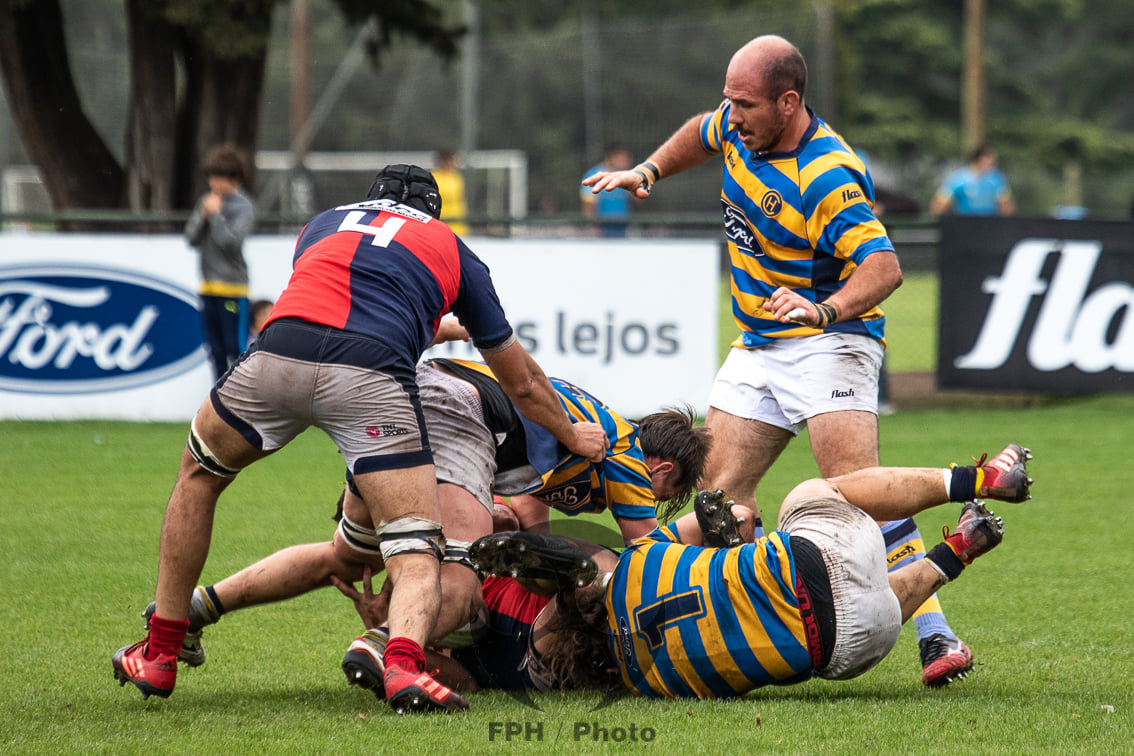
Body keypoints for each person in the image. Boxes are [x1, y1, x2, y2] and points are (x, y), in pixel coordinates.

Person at [112, 164, 609, 714]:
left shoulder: (323, 223)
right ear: (434, 214)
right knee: (417, 548)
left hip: (280, 352)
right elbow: (524, 384)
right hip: (377, 383)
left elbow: (348, 301)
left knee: (202, 479)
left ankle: (160, 648)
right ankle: (403, 665)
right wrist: (573, 435)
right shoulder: (452, 248)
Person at [583, 35, 974, 686]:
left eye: (745, 105)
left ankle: (936, 634)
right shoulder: (739, 127)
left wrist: (823, 311)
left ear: (788, 103)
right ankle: (747, 618)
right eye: (729, 101)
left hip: (831, 342)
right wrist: (647, 172)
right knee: (717, 495)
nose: (731, 116)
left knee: (855, 493)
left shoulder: (826, 175)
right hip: (760, 343)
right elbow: (699, 134)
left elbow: (884, 267)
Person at [138, 360, 711, 686]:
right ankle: (391, 640)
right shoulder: (627, 459)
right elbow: (647, 561)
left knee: (349, 554)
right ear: (663, 469)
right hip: (463, 412)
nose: (656, 500)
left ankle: (199, 607)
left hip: (410, 395)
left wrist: (515, 531)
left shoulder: (593, 432)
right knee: (472, 568)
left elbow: (526, 494)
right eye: (670, 494)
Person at [470, 442, 1033, 699]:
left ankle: (955, 553)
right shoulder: (639, 563)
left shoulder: (652, 685)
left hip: (849, 650)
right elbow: (735, 516)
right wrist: (715, 528)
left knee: (854, 610)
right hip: (819, 561)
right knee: (814, 493)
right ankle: (975, 481)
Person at [184, 144, 256, 381]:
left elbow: (230, 243)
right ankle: (218, 395)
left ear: (235, 178)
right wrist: (203, 216)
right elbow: (191, 238)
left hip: (233, 289)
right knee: (215, 349)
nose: (214, 183)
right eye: (212, 177)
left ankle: (240, 395)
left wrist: (215, 215)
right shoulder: (207, 202)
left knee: (234, 348)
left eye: (220, 178)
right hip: (208, 287)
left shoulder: (244, 206)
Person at [930, 144, 1015, 216]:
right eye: (990, 163)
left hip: (989, 223)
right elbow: (939, 205)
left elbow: (1006, 206)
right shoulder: (958, 179)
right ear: (979, 160)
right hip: (965, 223)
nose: (994, 167)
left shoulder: (996, 178)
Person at [580, 144, 635, 237]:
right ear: (609, 157)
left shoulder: (626, 175)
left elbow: (638, 200)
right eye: (621, 159)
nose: (625, 162)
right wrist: (593, 229)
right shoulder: (593, 176)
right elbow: (588, 207)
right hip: (602, 230)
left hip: (623, 229)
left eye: (626, 159)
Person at [433, 149, 469, 236]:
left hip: (459, 226)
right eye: (452, 160)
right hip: (441, 226)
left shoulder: (457, 177)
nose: (454, 163)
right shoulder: (434, 178)